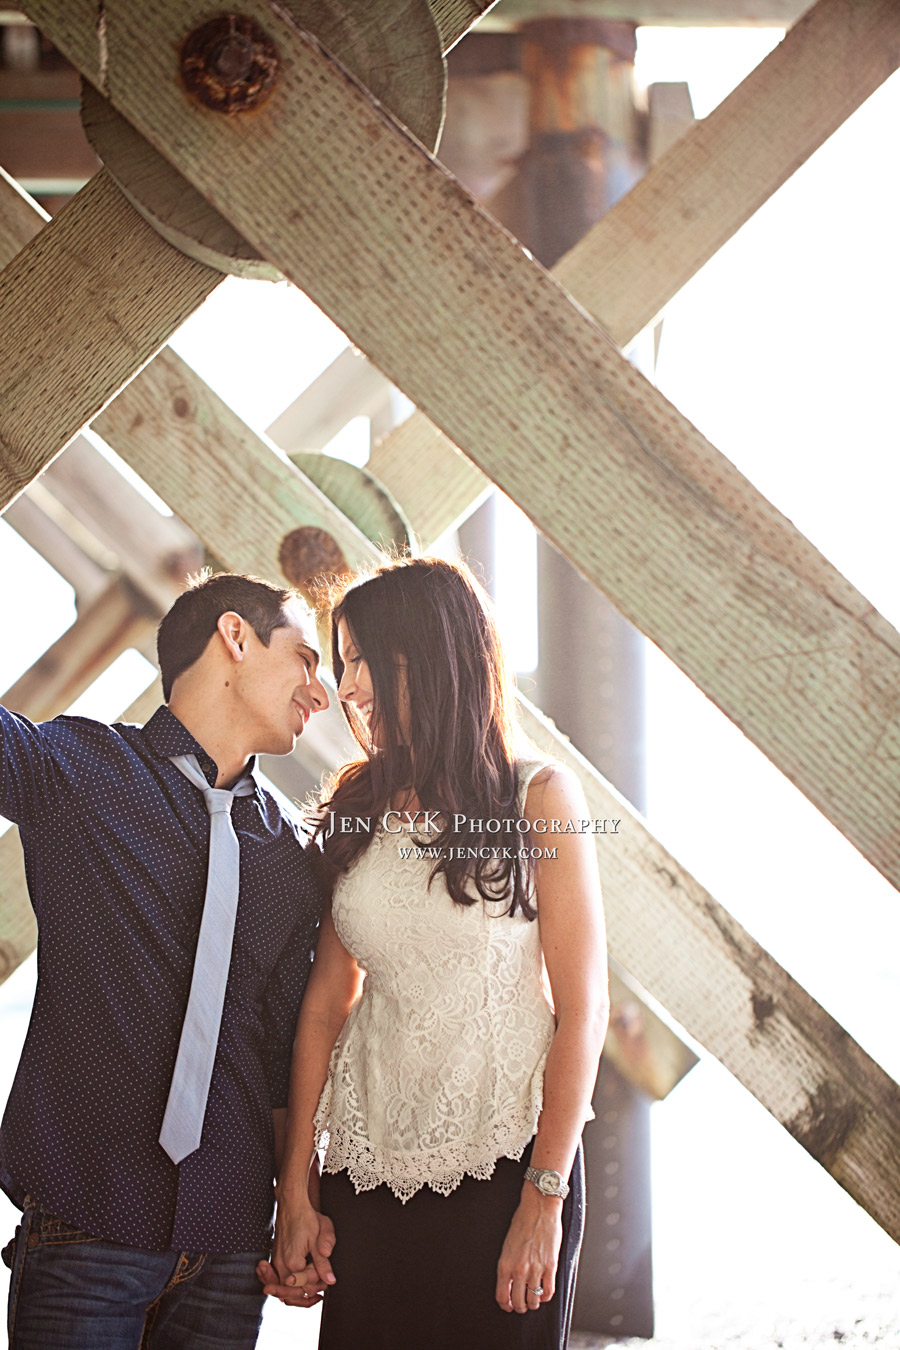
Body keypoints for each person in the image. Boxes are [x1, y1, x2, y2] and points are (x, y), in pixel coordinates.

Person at [265, 556, 609, 1349]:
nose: (346, 689)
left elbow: (585, 1008)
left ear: (432, 655)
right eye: (342, 663)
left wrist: (544, 1199)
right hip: (363, 1170)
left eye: (361, 661)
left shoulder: (539, 797)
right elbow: (325, 1003)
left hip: (508, 1165)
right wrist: (297, 1187)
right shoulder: (356, 803)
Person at [0, 571, 330, 1349]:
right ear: (236, 637)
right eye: (306, 659)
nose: (320, 693)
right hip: (85, 1224)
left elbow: (283, 1051)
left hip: (229, 1245)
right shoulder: (78, 773)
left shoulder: (288, 860)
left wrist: (300, 1203)